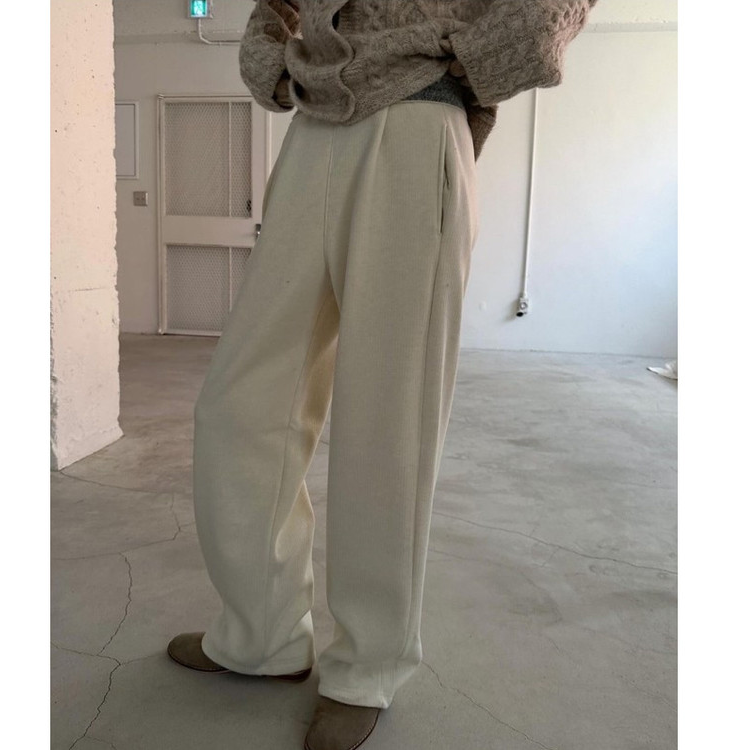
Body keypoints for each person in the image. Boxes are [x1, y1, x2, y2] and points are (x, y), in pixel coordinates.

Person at [167, 2, 598, 749]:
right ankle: (261, 636)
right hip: (312, 130)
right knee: (240, 404)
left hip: (418, 124)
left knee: (388, 414)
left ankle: (366, 667)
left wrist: (455, 59)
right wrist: (276, 61)